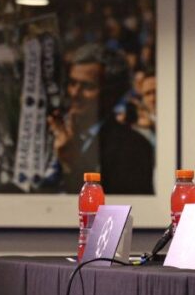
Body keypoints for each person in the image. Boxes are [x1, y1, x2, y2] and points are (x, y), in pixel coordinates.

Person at [46, 43, 155, 194]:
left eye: (87, 87)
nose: (75, 93)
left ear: (112, 94)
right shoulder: (52, 131)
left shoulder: (133, 147)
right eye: (72, 83)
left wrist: (73, 163)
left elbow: (118, 213)